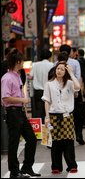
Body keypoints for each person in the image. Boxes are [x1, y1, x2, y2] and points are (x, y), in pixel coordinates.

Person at [1, 48, 40, 178]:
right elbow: (5, 98)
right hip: (12, 113)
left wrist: (24, 109)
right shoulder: (7, 78)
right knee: (14, 142)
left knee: (32, 139)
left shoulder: (17, 76)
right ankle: (14, 171)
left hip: (20, 112)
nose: (23, 63)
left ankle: (27, 167)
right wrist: (22, 100)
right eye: (22, 61)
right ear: (18, 62)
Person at [42, 61, 81, 174]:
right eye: (58, 68)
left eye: (62, 69)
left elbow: (78, 87)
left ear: (66, 72)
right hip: (54, 116)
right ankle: (56, 166)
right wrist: (47, 116)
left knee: (68, 141)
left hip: (67, 115)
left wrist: (71, 73)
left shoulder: (69, 83)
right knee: (55, 142)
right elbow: (46, 101)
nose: (59, 71)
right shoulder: (49, 84)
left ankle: (72, 165)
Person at [59, 44, 84, 145]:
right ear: (70, 52)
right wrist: (77, 91)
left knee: (64, 114)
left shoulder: (56, 64)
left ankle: (65, 136)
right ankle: (78, 135)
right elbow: (78, 77)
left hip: (61, 93)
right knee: (77, 115)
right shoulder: (75, 62)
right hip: (73, 91)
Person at [28, 49, 53, 123]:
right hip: (49, 91)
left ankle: (39, 129)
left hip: (38, 91)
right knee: (48, 110)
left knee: (38, 111)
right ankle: (47, 128)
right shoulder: (52, 65)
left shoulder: (35, 65)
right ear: (50, 56)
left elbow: (30, 77)